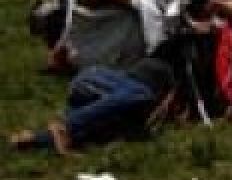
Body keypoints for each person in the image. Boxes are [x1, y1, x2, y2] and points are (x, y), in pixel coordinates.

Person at [10, 53, 178, 154]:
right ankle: (65, 127)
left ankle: (34, 138)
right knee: (139, 95)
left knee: (100, 131)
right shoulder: (150, 84)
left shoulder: (131, 104)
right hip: (98, 80)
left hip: (93, 87)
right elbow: (165, 102)